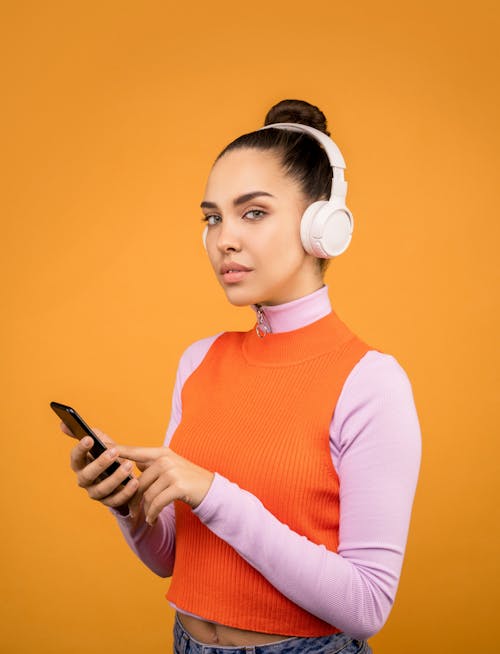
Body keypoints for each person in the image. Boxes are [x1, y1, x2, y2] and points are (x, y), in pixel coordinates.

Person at [64, 99, 422, 654]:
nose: (223, 238)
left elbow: (367, 606)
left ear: (321, 225)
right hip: (188, 642)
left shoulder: (371, 381)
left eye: (253, 212)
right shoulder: (199, 360)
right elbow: (174, 560)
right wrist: (130, 506)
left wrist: (213, 493)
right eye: (213, 217)